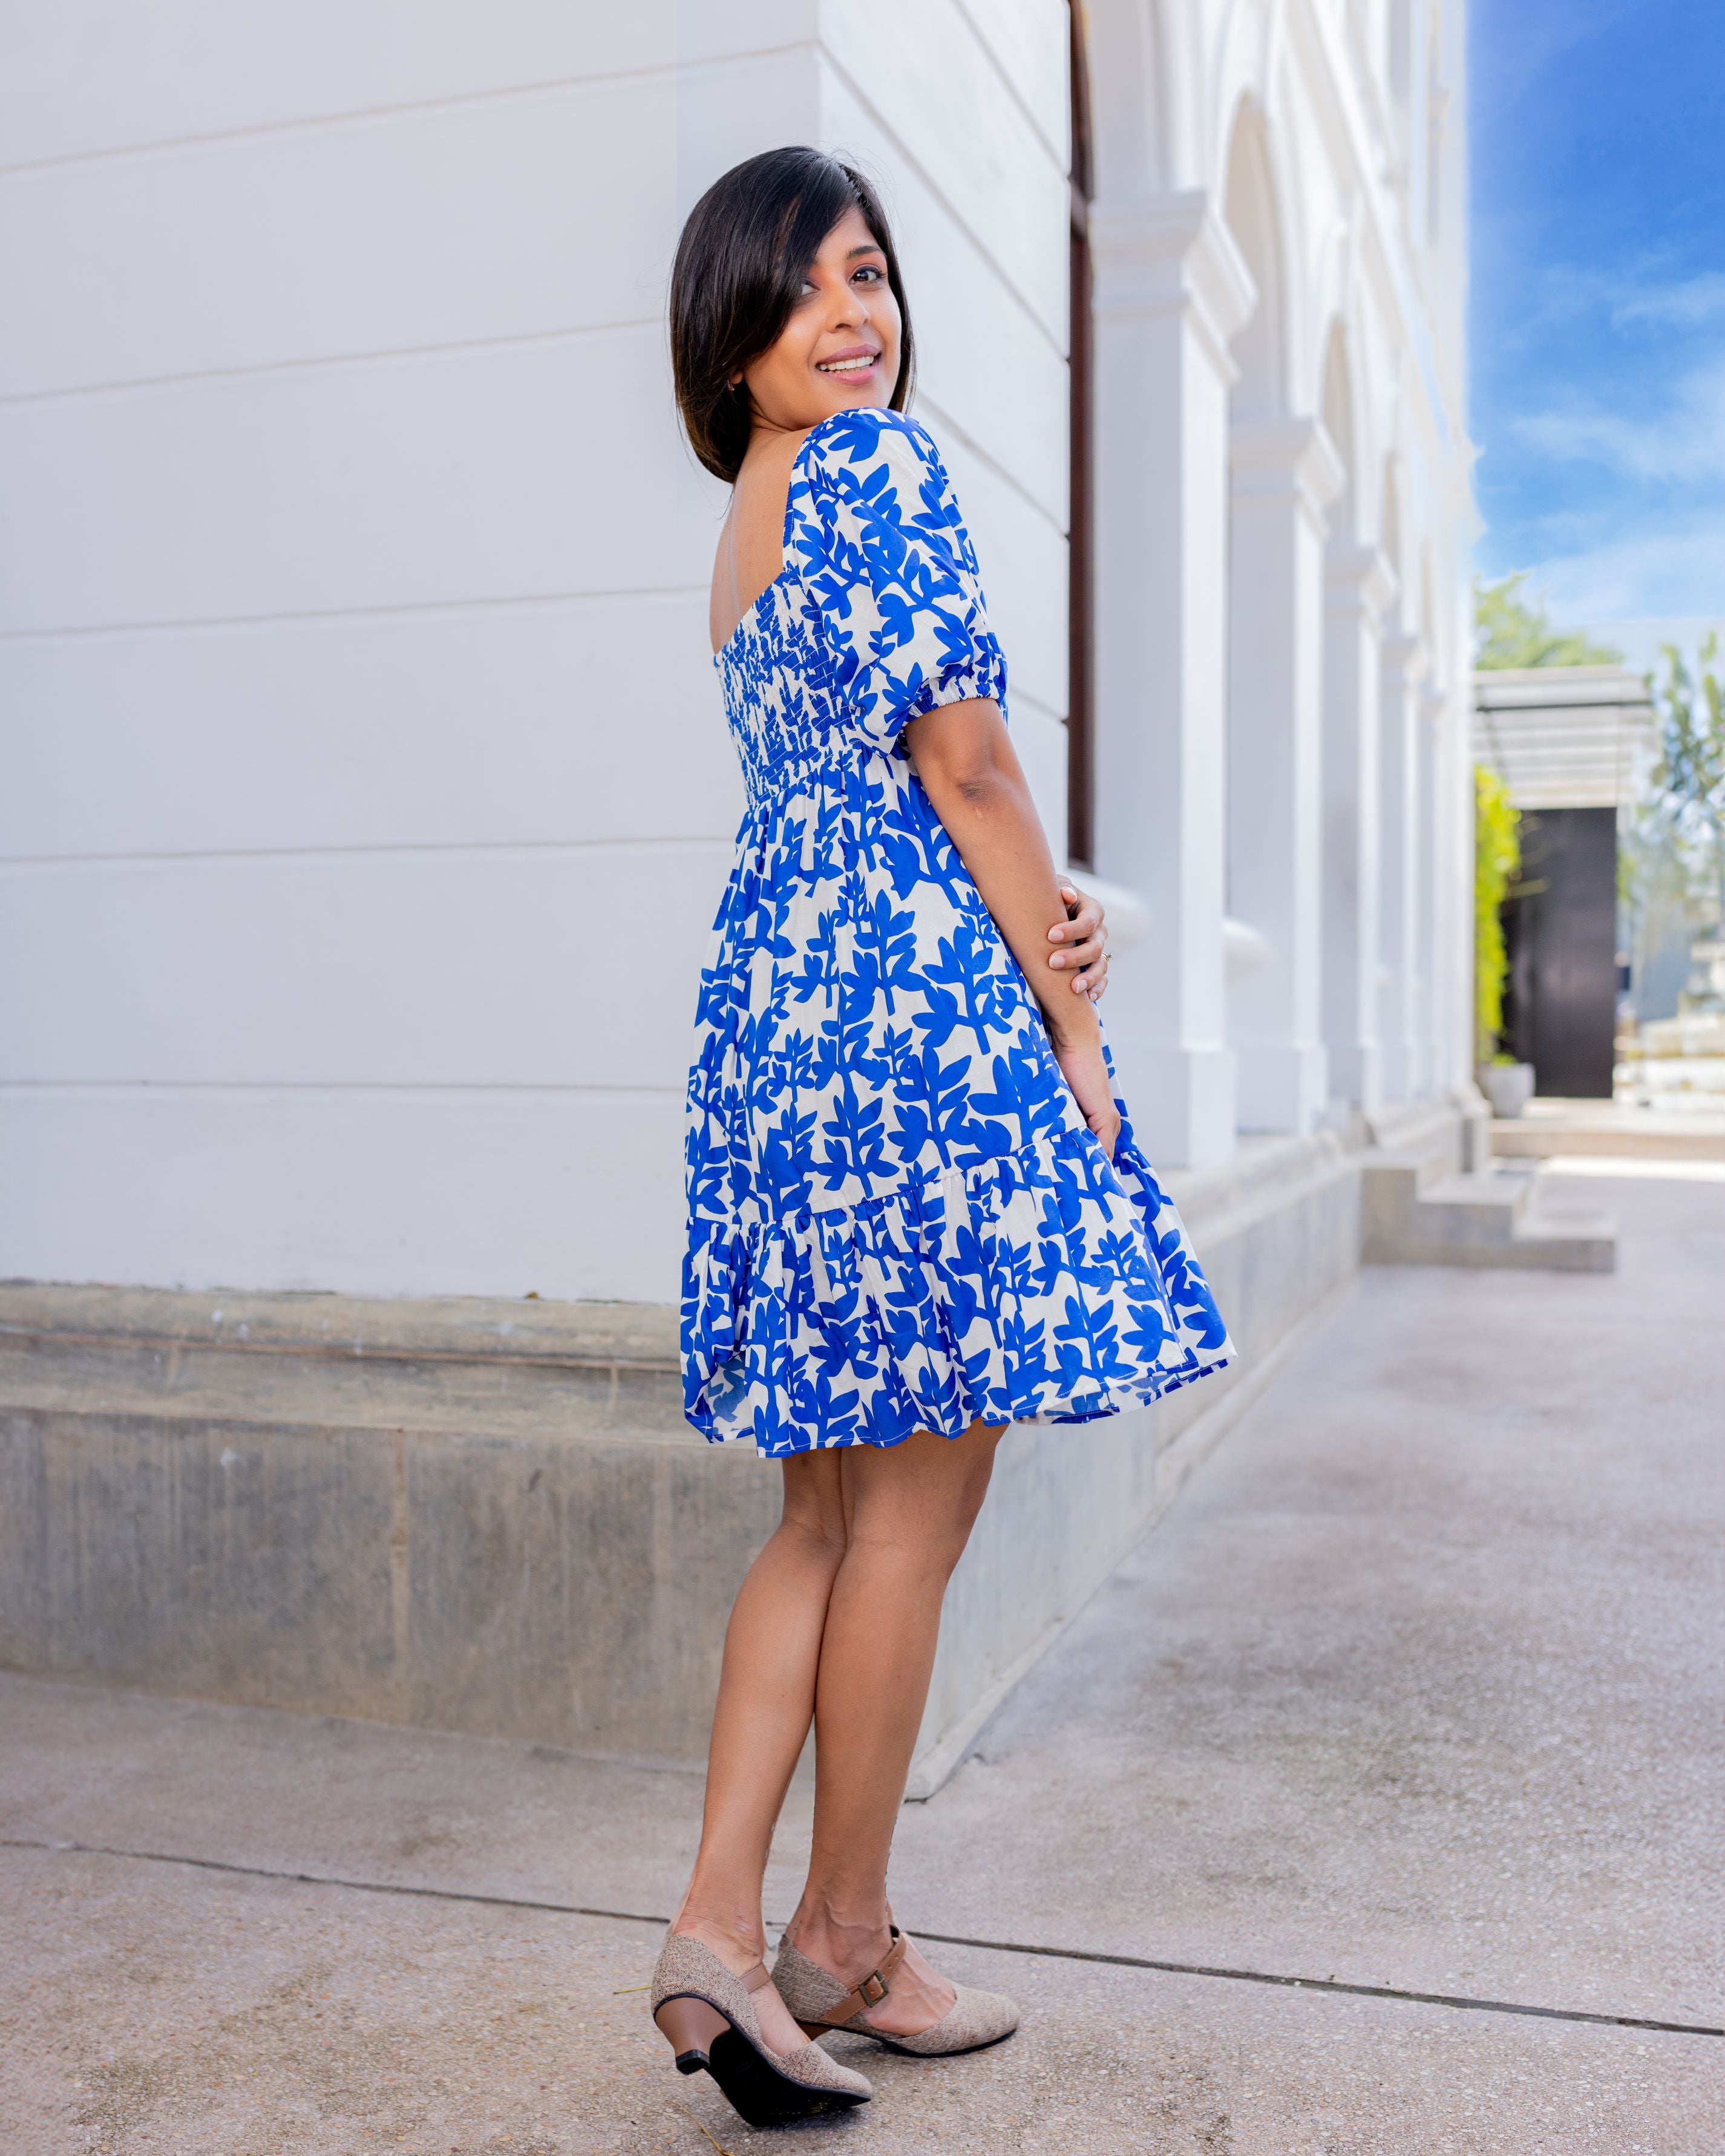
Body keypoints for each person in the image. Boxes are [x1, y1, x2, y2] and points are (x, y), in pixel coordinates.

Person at [650, 146, 1232, 2130]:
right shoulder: (876, 471)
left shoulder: (744, 522)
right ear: (727, 336)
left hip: (778, 1017)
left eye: (872, 273)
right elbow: (966, 760)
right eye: (807, 286)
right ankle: (845, 1929)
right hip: (908, 1014)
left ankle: (728, 1930)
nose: (855, 313)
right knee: (913, 1505)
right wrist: (1068, 1006)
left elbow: (895, 763)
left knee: (821, 1511)